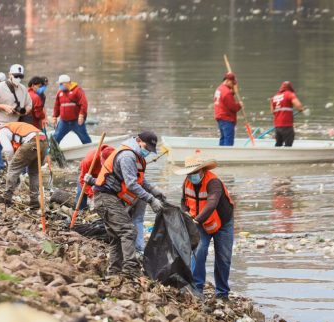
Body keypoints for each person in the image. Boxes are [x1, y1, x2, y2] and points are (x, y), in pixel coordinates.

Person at [88, 132, 165, 278]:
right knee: (128, 231)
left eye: (150, 150)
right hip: (105, 198)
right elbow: (131, 184)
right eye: (146, 147)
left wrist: (154, 190)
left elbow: (140, 180)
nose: (148, 151)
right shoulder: (127, 156)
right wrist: (151, 199)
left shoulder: (136, 156)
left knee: (116, 236)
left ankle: (114, 271)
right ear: (138, 141)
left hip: (111, 198)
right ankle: (130, 269)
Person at [175, 156, 234, 299]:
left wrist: (196, 220)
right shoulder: (187, 182)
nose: (192, 176)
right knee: (198, 253)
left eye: (195, 172)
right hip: (200, 223)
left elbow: (212, 204)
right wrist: (186, 215)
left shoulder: (213, 182)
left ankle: (222, 293)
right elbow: (183, 202)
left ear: (202, 170)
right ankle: (196, 289)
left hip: (222, 223)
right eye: (190, 173)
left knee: (223, 257)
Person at [0, 121, 45, 208]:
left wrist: (11, 163)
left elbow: (8, 150)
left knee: (13, 169)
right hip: (43, 140)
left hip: (32, 141)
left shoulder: (0, 131)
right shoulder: (13, 126)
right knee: (34, 173)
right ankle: (34, 201)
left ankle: (7, 198)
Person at [0, 64, 31, 133]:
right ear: (10, 75)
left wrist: (23, 112)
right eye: (16, 76)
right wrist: (4, 107)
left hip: (17, 125)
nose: (18, 78)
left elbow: (29, 105)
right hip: (1, 124)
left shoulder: (23, 89)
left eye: (20, 76)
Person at [52, 74, 91, 144]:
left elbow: (83, 103)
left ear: (67, 83)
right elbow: (56, 105)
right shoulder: (60, 93)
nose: (60, 85)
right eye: (59, 84)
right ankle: (51, 149)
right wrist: (54, 116)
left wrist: (81, 115)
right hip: (64, 121)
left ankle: (91, 149)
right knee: (56, 138)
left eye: (61, 84)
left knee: (84, 138)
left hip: (76, 121)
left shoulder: (77, 90)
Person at [77, 144, 115, 212]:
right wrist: (91, 195)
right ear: (101, 158)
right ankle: (80, 211)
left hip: (104, 175)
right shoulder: (89, 160)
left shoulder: (114, 154)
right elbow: (83, 179)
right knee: (81, 192)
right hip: (89, 175)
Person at [269, 81, 304, 147]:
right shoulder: (289, 94)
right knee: (288, 145)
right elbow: (299, 106)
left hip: (277, 126)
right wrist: (301, 109)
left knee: (278, 144)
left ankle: (276, 153)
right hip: (287, 125)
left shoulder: (274, 97)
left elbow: (272, 111)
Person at [214, 72, 242, 146]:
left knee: (223, 138)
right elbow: (233, 107)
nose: (233, 85)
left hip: (220, 118)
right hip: (227, 119)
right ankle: (227, 153)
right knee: (228, 140)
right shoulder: (227, 93)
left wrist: (232, 93)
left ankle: (221, 153)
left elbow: (225, 101)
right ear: (228, 81)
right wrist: (240, 105)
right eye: (233, 83)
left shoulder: (219, 89)